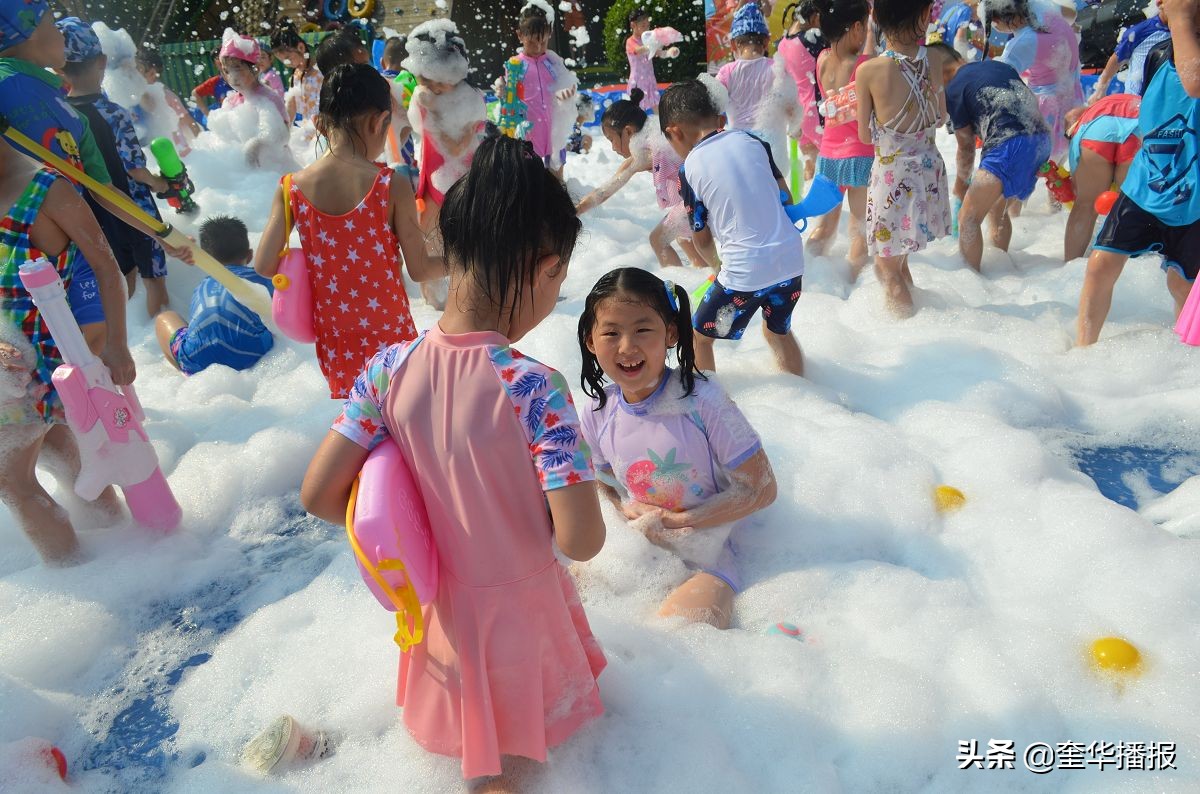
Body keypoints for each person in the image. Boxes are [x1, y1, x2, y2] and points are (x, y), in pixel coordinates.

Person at [300, 136, 606, 788]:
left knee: (469, 744)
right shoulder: (534, 386)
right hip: (521, 622)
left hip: (437, 613)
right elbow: (581, 540)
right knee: (513, 763)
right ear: (546, 268)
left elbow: (321, 497)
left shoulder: (387, 368)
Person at [578, 267, 777, 629]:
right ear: (591, 341)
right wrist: (624, 510)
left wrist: (683, 522)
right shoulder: (598, 412)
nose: (627, 346)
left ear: (670, 333)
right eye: (611, 333)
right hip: (637, 549)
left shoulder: (704, 401)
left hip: (711, 551)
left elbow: (762, 488)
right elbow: (596, 482)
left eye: (642, 330)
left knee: (680, 637)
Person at [254, 64, 444, 399]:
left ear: (319, 124)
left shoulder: (290, 188)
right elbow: (420, 269)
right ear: (377, 122)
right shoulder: (390, 184)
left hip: (337, 340)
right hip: (389, 333)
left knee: (359, 416)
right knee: (399, 412)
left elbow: (264, 265)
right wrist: (469, 258)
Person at [0, 129, 134, 565]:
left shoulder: (46, 189)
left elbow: (106, 267)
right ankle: (127, 552)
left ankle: (77, 575)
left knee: (11, 480)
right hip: (16, 360)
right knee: (64, 453)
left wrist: (117, 345)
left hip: (41, 362)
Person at [660, 80, 806, 376]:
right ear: (718, 117)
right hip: (791, 260)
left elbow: (701, 237)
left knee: (699, 336)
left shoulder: (689, 169)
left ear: (674, 132)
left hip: (744, 269)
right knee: (777, 331)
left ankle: (710, 401)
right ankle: (805, 390)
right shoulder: (753, 141)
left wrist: (716, 265)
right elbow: (786, 198)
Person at [1076, 0, 1200, 346]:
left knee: (1182, 284)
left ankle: (1185, 357)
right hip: (1147, 182)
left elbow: (1194, 83)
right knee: (1100, 265)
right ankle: (1082, 351)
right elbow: (1149, 110)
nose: (1160, 2)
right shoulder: (1158, 53)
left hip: (1193, 196)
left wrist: (1182, 16)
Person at [58, 18, 173, 319]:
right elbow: (135, 170)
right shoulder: (114, 114)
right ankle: (163, 332)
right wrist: (160, 183)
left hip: (97, 215)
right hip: (135, 210)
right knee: (154, 281)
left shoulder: (61, 115)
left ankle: (127, 339)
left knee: (120, 285)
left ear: (59, 69)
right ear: (102, 61)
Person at [856, 0, 951, 316]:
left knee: (887, 267)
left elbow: (865, 136)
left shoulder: (869, 70)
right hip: (928, 168)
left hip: (893, 175)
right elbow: (940, 117)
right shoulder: (933, 58)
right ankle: (921, 319)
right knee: (900, 259)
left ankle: (907, 330)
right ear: (924, 15)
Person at [940, 44, 1051, 271]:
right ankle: (1004, 268)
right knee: (996, 209)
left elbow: (966, 148)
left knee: (968, 218)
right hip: (1041, 140)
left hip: (1008, 145)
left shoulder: (954, 89)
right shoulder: (999, 67)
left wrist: (961, 186)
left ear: (941, 72)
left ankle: (972, 280)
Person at [576, 89, 710, 269]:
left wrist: (575, 211)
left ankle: (680, 282)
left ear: (628, 131)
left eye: (611, 140)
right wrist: (577, 209)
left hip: (701, 196)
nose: (613, 148)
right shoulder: (655, 138)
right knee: (682, 237)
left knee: (658, 240)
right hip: (706, 190)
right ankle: (705, 275)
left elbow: (605, 191)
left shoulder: (646, 153)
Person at [155, 216, 274, 375]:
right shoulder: (263, 280)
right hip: (254, 356)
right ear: (250, 255)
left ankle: (187, 373)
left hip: (198, 359)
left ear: (205, 258)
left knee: (164, 317)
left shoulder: (202, 286)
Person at [806, 0, 874, 276]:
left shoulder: (822, 59)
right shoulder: (864, 65)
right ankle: (852, 285)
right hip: (859, 156)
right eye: (866, 27)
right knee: (859, 230)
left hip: (829, 157)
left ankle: (809, 275)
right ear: (857, 28)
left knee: (824, 227)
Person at [986, 0, 1083, 161]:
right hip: (1073, 100)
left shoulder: (1024, 42)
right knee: (1064, 164)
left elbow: (999, 80)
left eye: (992, 21)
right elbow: (1072, 13)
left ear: (998, 19)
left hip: (1048, 113)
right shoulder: (1048, 12)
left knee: (1044, 166)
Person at [715, 1, 801, 163]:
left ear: (734, 44)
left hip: (739, 144)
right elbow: (791, 107)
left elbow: (713, 107)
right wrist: (795, 127)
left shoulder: (726, 72)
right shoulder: (777, 68)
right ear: (766, 42)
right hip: (773, 144)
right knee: (773, 178)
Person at [1063, 94, 1141, 262]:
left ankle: (1069, 267)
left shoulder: (1088, 112)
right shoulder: (1142, 99)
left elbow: (1070, 116)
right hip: (1137, 127)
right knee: (1131, 209)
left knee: (1084, 205)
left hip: (1096, 129)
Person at [510, 2, 578, 177]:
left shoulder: (553, 62)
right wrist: (504, 92)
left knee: (556, 177)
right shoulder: (515, 65)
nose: (538, 47)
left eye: (543, 41)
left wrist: (565, 95)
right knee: (530, 176)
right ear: (520, 35)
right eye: (532, 42)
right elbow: (511, 101)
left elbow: (568, 84)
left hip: (554, 130)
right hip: (529, 131)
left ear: (550, 34)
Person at [208, 29, 291, 168]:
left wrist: (256, 144)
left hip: (275, 166)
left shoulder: (269, 98)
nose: (232, 77)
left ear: (256, 68)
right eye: (226, 71)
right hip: (247, 173)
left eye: (237, 69)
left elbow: (283, 136)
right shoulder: (231, 101)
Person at [777, 0, 826, 182]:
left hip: (798, 116)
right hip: (816, 114)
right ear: (814, 17)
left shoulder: (782, 43)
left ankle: (805, 197)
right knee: (829, 169)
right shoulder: (812, 40)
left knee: (809, 167)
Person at [134, 48, 200, 155]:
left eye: (156, 73)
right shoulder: (131, 96)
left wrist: (202, 142)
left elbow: (189, 121)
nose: (154, 77)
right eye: (151, 73)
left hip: (177, 148)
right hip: (151, 150)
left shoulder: (165, 95)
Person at [1089, 12, 1170, 100]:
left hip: (1164, 98)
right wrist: (1100, 91)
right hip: (1135, 100)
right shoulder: (1140, 31)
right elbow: (1117, 59)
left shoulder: (1179, 31)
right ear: (1160, 5)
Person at [269, 18, 321, 125]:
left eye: (288, 58)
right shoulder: (296, 76)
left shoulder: (321, 70)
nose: (287, 64)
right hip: (308, 130)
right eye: (282, 61)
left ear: (301, 48)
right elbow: (291, 107)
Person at [625, 8, 671, 112]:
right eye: (643, 26)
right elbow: (638, 50)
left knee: (657, 107)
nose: (646, 28)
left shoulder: (649, 41)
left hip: (650, 80)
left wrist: (670, 53)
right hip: (637, 82)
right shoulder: (630, 41)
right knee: (637, 110)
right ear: (633, 25)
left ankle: (660, 123)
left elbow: (660, 53)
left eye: (648, 25)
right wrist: (653, 45)